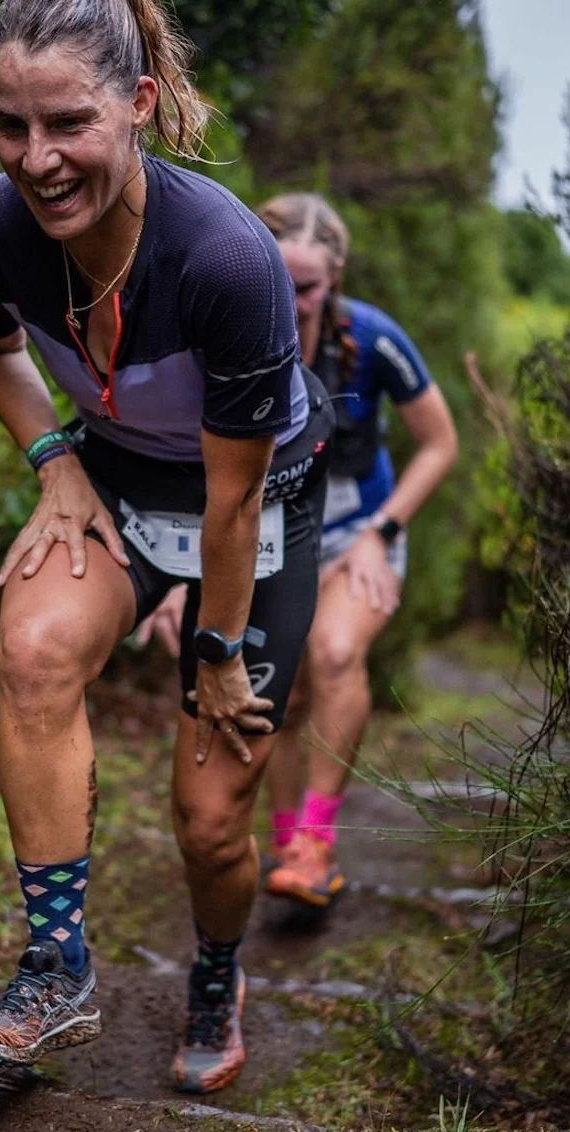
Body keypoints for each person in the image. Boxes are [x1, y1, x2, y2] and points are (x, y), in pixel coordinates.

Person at [0, 0, 332, 1094]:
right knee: (32, 652)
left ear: (137, 105)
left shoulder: (226, 259)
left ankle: (215, 971)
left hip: (248, 507)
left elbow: (231, 501)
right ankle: (55, 968)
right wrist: (54, 463)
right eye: (11, 126)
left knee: (209, 824)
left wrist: (215, 651)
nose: (37, 160)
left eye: (68, 123)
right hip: (114, 477)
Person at [138, 196, 458, 907]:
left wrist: (382, 534)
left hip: (355, 530)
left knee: (335, 652)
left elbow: (440, 442)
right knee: (282, 688)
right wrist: (173, 575)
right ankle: (287, 841)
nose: (292, 301)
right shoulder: (223, 332)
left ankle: (316, 838)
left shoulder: (373, 339)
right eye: (278, 283)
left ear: (335, 276)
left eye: (307, 287)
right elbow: (192, 464)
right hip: (258, 528)